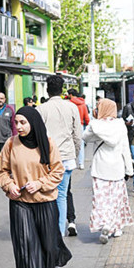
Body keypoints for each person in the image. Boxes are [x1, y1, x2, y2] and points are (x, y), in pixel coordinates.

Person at [0, 107, 72, 268]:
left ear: (33, 123)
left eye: (23, 122)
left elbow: (57, 171)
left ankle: (54, 264)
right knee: (26, 244)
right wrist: (9, 185)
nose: (18, 126)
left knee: (49, 242)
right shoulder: (11, 144)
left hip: (45, 201)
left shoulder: (47, 143)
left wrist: (40, 183)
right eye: (16, 122)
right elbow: (0, 170)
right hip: (20, 203)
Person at [84, 99, 134, 243]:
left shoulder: (96, 126)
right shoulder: (120, 125)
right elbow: (125, 148)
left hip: (100, 168)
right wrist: (129, 169)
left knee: (101, 200)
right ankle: (116, 228)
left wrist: (95, 122)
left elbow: (85, 137)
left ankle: (106, 224)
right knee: (116, 199)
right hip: (117, 168)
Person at [37, 74, 82, 238]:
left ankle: (48, 229)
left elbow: (37, 136)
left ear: (47, 90)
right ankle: (60, 231)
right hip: (66, 157)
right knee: (62, 194)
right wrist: (75, 153)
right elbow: (78, 135)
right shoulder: (71, 107)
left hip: (47, 159)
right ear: (62, 90)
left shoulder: (40, 109)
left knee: (47, 194)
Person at [68, 88, 90, 170]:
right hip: (80, 125)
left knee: (70, 143)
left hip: (70, 124)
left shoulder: (69, 104)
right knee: (80, 144)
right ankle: (81, 163)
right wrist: (87, 124)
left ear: (70, 95)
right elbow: (86, 117)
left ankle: (72, 162)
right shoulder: (83, 104)